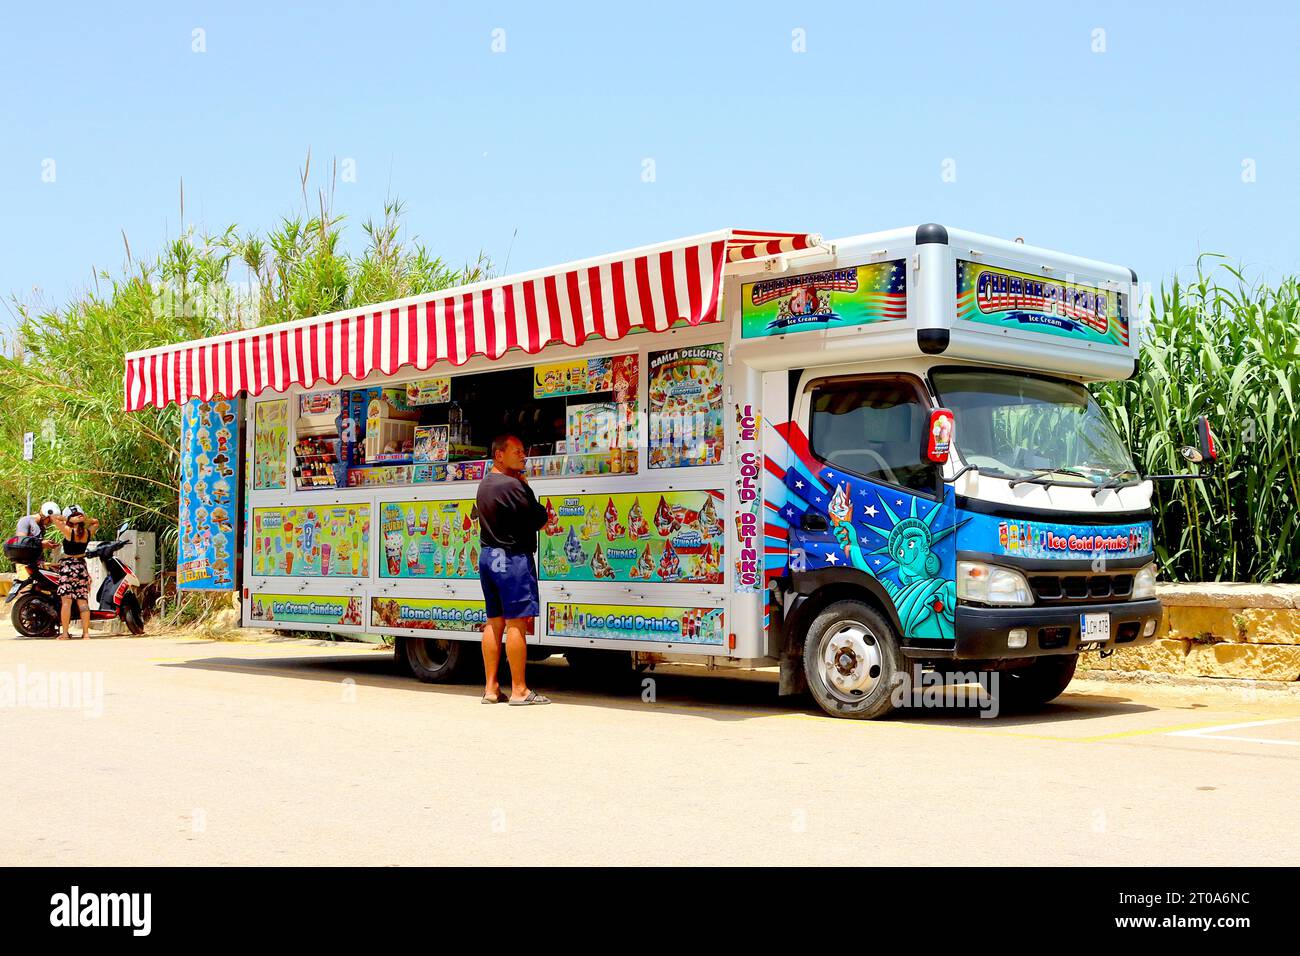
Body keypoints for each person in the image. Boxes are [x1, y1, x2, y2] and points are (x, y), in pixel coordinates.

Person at [475, 434, 552, 705]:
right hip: (512, 559)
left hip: (488, 557)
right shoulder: (513, 486)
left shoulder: (484, 484)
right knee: (516, 623)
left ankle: (491, 689)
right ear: (499, 455)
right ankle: (519, 690)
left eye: (524, 450)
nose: (523, 455)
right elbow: (541, 520)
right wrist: (527, 487)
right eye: (517, 451)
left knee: (494, 622)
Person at [50, 505, 98, 640]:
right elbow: (96, 522)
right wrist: (83, 519)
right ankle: (86, 633)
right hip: (81, 566)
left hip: (68, 567)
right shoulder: (87, 533)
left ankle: (65, 633)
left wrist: (69, 519)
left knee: (67, 601)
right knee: (83, 601)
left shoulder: (69, 531)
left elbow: (54, 518)